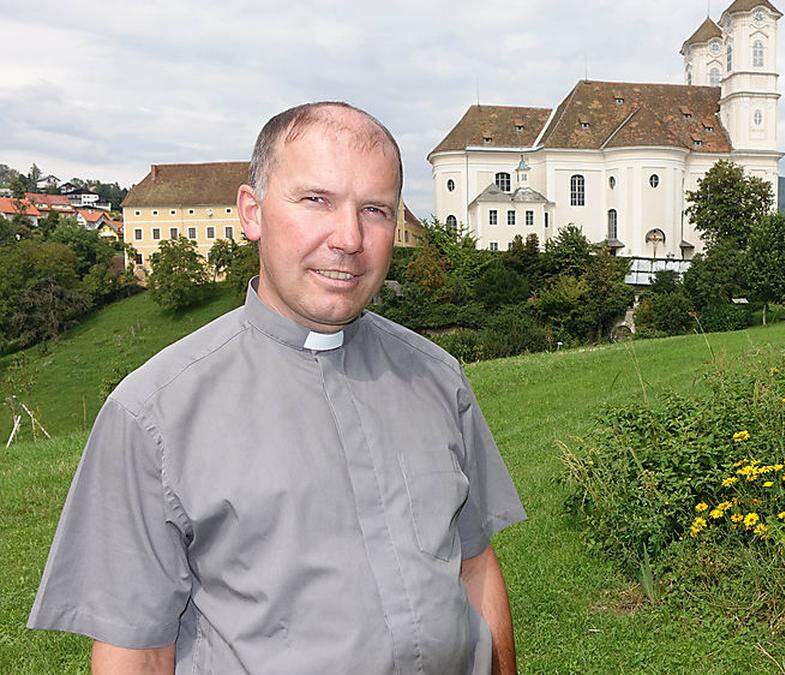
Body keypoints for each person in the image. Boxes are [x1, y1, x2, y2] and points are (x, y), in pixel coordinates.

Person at [28, 102, 526, 674]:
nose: (350, 237)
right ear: (252, 212)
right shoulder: (152, 417)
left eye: (375, 209)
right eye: (316, 200)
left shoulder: (437, 377)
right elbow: (135, 652)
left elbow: (476, 568)